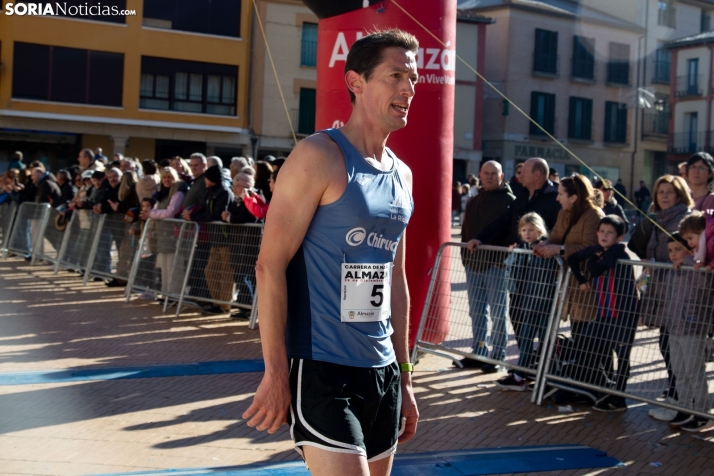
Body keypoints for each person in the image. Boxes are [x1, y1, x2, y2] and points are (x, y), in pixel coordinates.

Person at [243, 30, 419, 475]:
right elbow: (269, 265)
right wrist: (275, 371)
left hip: (381, 371)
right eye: (395, 75)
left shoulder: (403, 175)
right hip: (321, 367)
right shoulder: (319, 155)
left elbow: (394, 280)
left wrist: (405, 375)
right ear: (356, 82)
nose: (409, 88)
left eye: (413, 78)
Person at [628, 175, 693, 422]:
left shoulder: (685, 219)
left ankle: (682, 401)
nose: (664, 196)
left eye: (670, 191)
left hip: (682, 291)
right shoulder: (656, 219)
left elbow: (685, 254)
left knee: (674, 347)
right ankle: (675, 396)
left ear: (679, 195)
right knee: (666, 345)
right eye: (661, 192)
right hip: (660, 289)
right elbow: (639, 245)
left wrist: (657, 263)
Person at [565, 215, 639, 412]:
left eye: (610, 233)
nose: (604, 236)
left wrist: (591, 261)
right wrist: (581, 279)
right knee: (587, 345)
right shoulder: (597, 249)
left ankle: (619, 398)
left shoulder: (618, 253)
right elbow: (572, 258)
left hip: (623, 314)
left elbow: (597, 271)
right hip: (603, 313)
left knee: (622, 355)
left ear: (619, 237)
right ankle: (605, 387)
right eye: (602, 231)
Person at [534, 175, 604, 355]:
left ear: (573, 197)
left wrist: (559, 249)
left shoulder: (593, 215)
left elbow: (591, 247)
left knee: (592, 341)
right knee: (578, 333)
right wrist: (544, 244)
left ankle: (600, 380)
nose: (557, 198)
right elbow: (555, 236)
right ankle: (581, 378)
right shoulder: (564, 212)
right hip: (569, 282)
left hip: (588, 283)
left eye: (560, 194)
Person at [650, 233, 714, 432]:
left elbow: (705, 287)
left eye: (678, 249)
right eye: (670, 250)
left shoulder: (696, 268)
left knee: (695, 373)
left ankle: (702, 412)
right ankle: (685, 409)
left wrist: (688, 261)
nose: (673, 254)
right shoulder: (672, 271)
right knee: (679, 372)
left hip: (692, 327)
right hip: (674, 327)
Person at [460, 161, 516, 371]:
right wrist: (465, 258)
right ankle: (479, 352)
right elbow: (466, 232)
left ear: (502, 177)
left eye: (494, 174)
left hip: (496, 266)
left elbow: (512, 234)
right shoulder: (474, 201)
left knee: (498, 313)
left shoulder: (510, 201)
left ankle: (498, 356)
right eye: (486, 173)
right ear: (480, 176)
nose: (490, 177)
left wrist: (500, 261)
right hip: (473, 265)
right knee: (476, 312)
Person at [497, 212, 558, 391]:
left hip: (543, 300)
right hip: (528, 300)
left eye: (531, 229)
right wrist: (513, 254)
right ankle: (522, 374)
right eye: (524, 230)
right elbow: (513, 271)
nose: (527, 233)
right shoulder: (523, 247)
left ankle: (548, 376)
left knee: (545, 339)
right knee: (527, 336)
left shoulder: (544, 248)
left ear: (539, 229)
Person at [182, 164, 234, 315]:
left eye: (206, 177)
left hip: (225, 239)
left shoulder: (224, 192)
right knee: (210, 270)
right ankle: (216, 302)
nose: (204, 180)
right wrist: (191, 215)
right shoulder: (209, 192)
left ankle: (225, 305)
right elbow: (203, 210)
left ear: (211, 179)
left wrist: (195, 217)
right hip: (214, 239)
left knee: (225, 273)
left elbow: (218, 214)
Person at [142, 167, 188, 300]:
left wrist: (150, 214)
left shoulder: (178, 193)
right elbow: (157, 210)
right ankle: (165, 294)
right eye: (164, 177)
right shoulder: (161, 195)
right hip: (162, 234)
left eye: (170, 177)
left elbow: (170, 211)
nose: (167, 180)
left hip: (173, 235)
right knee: (164, 268)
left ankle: (173, 295)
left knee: (174, 267)